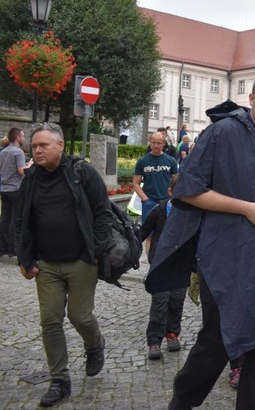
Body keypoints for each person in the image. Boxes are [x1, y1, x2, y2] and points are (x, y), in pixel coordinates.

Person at [146, 71, 255, 410]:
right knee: (218, 339)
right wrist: (246, 210)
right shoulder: (223, 133)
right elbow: (188, 191)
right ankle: (182, 401)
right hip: (224, 255)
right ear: (251, 99)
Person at [15, 123, 111, 407]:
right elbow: (19, 221)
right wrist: (24, 258)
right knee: (50, 321)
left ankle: (95, 344)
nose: (38, 150)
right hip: (45, 264)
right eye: (34, 146)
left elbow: (103, 212)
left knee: (80, 317)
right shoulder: (30, 178)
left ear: (60, 145)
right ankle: (60, 381)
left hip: (81, 260)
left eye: (43, 145)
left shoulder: (82, 173)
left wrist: (94, 250)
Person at [141, 174, 187, 361]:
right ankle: (154, 341)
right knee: (160, 304)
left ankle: (172, 334)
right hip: (160, 265)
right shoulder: (159, 211)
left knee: (176, 302)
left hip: (180, 266)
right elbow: (143, 232)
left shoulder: (189, 213)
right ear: (170, 192)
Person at [133, 132, 178, 222]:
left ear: (163, 144)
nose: (156, 145)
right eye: (153, 142)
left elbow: (176, 181)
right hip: (149, 200)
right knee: (147, 232)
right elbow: (135, 183)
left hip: (167, 200)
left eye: (159, 143)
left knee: (167, 229)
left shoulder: (171, 161)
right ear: (150, 142)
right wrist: (145, 199)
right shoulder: (142, 161)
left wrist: (173, 197)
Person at [0, 127, 32, 256]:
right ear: (18, 137)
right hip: (15, 188)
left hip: (3, 188)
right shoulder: (18, 152)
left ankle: (2, 247)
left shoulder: (3, 152)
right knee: (15, 218)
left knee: (4, 219)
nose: (24, 138)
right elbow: (21, 171)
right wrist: (29, 165)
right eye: (23, 136)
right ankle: (13, 249)